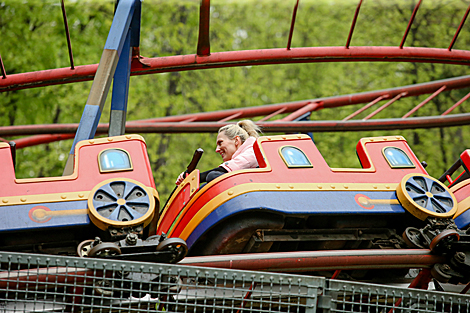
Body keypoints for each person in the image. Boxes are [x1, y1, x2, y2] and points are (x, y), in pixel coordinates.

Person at [176, 120, 262, 185]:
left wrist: (191, 179)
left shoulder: (254, 151)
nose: (217, 149)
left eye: (220, 143)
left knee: (213, 176)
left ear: (236, 140)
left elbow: (225, 169)